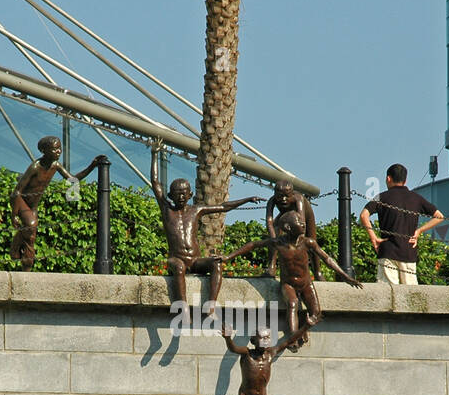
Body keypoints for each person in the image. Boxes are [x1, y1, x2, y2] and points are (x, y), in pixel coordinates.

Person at [222, 209, 362, 349]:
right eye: (299, 222)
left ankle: (302, 327)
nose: (303, 224)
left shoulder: (308, 242)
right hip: (288, 284)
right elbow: (253, 245)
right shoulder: (278, 242)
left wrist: (345, 276)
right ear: (288, 227)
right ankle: (293, 338)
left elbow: (327, 259)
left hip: (306, 283)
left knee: (316, 313)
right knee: (293, 303)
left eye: (303, 221)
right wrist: (228, 257)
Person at [150, 145, 261, 311]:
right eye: (177, 193)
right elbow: (155, 182)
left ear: (190, 195)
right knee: (179, 267)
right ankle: (183, 307)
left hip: (195, 260)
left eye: (184, 193)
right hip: (177, 260)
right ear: (170, 195)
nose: (180, 196)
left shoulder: (196, 210)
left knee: (216, 263)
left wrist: (246, 199)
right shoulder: (167, 209)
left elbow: (223, 207)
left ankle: (211, 305)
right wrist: (154, 154)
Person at [10, 136, 100, 271]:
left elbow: (72, 180)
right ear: (44, 151)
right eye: (54, 149)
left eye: (59, 148)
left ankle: (20, 256)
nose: (58, 152)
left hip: (33, 206)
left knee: (31, 235)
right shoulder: (35, 167)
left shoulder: (55, 165)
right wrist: (14, 214)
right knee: (31, 226)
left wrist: (92, 166)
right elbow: (16, 192)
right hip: (21, 201)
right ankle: (23, 261)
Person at [358, 163, 444, 285]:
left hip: (388, 251)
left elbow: (364, 215)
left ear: (388, 178)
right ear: (405, 180)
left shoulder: (381, 197)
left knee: (388, 296)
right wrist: (418, 232)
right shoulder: (416, 198)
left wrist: (373, 238)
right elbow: (439, 216)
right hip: (409, 252)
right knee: (410, 296)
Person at [263, 181, 320, 280]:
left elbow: (302, 222)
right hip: (286, 216)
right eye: (280, 196)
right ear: (275, 195)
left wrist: (300, 239)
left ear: (292, 194)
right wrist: (273, 238)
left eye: (286, 196)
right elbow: (269, 221)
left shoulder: (298, 198)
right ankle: (271, 267)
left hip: (304, 217)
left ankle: (317, 272)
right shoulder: (272, 201)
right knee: (275, 234)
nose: (283, 199)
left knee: (311, 241)